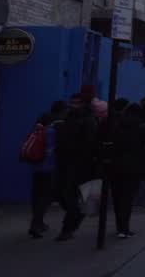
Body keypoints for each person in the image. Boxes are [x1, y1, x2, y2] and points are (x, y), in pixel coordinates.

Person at [110, 101, 145, 238]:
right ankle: (124, 228)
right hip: (134, 166)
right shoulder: (143, 128)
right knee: (127, 197)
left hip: (116, 166)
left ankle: (120, 226)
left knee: (117, 197)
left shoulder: (116, 125)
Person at [52, 93, 96, 241]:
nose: (73, 105)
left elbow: (89, 144)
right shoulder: (68, 118)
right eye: (72, 102)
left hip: (80, 164)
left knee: (73, 197)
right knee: (65, 196)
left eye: (77, 103)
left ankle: (68, 227)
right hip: (67, 162)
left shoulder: (88, 120)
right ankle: (72, 222)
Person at [26, 101, 64, 238]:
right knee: (46, 194)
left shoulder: (43, 118)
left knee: (37, 193)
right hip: (50, 164)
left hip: (37, 162)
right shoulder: (60, 123)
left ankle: (38, 221)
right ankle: (36, 223)